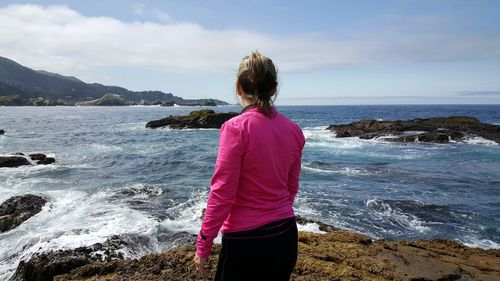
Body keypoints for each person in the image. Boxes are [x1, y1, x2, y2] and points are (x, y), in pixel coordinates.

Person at [194, 51, 306, 281]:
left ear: (238, 87)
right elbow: (291, 188)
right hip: (285, 235)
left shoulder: (235, 128)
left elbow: (222, 192)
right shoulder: (294, 130)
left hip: (246, 241)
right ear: (274, 89)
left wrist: (203, 245)